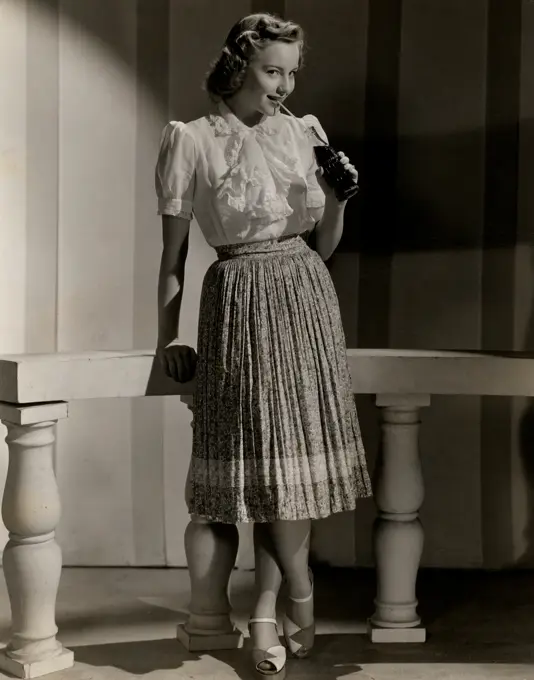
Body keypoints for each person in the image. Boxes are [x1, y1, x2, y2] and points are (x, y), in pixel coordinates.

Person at [155, 12, 372, 679]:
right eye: (271, 70)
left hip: (305, 297)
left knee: (294, 477)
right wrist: (168, 338)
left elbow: (323, 248)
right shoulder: (191, 141)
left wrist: (339, 202)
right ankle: (297, 592)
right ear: (238, 67)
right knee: (262, 475)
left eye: (290, 73)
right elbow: (172, 261)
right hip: (239, 302)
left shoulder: (304, 134)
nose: (283, 85)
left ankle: (267, 612)